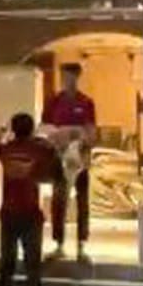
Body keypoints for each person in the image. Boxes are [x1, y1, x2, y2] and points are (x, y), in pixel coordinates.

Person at [0, 113, 56, 286]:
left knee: (6, 264)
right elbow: (52, 155)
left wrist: (2, 131)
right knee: (32, 266)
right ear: (31, 130)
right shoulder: (38, 150)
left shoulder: (6, 150)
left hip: (8, 213)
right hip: (30, 214)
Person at [43, 63, 97, 262]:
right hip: (59, 157)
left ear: (77, 77)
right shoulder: (54, 102)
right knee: (59, 201)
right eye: (64, 77)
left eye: (70, 77)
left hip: (79, 159)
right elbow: (45, 127)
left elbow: (90, 131)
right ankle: (59, 244)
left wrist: (79, 137)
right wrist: (61, 136)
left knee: (82, 202)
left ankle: (81, 246)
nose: (67, 81)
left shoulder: (86, 103)